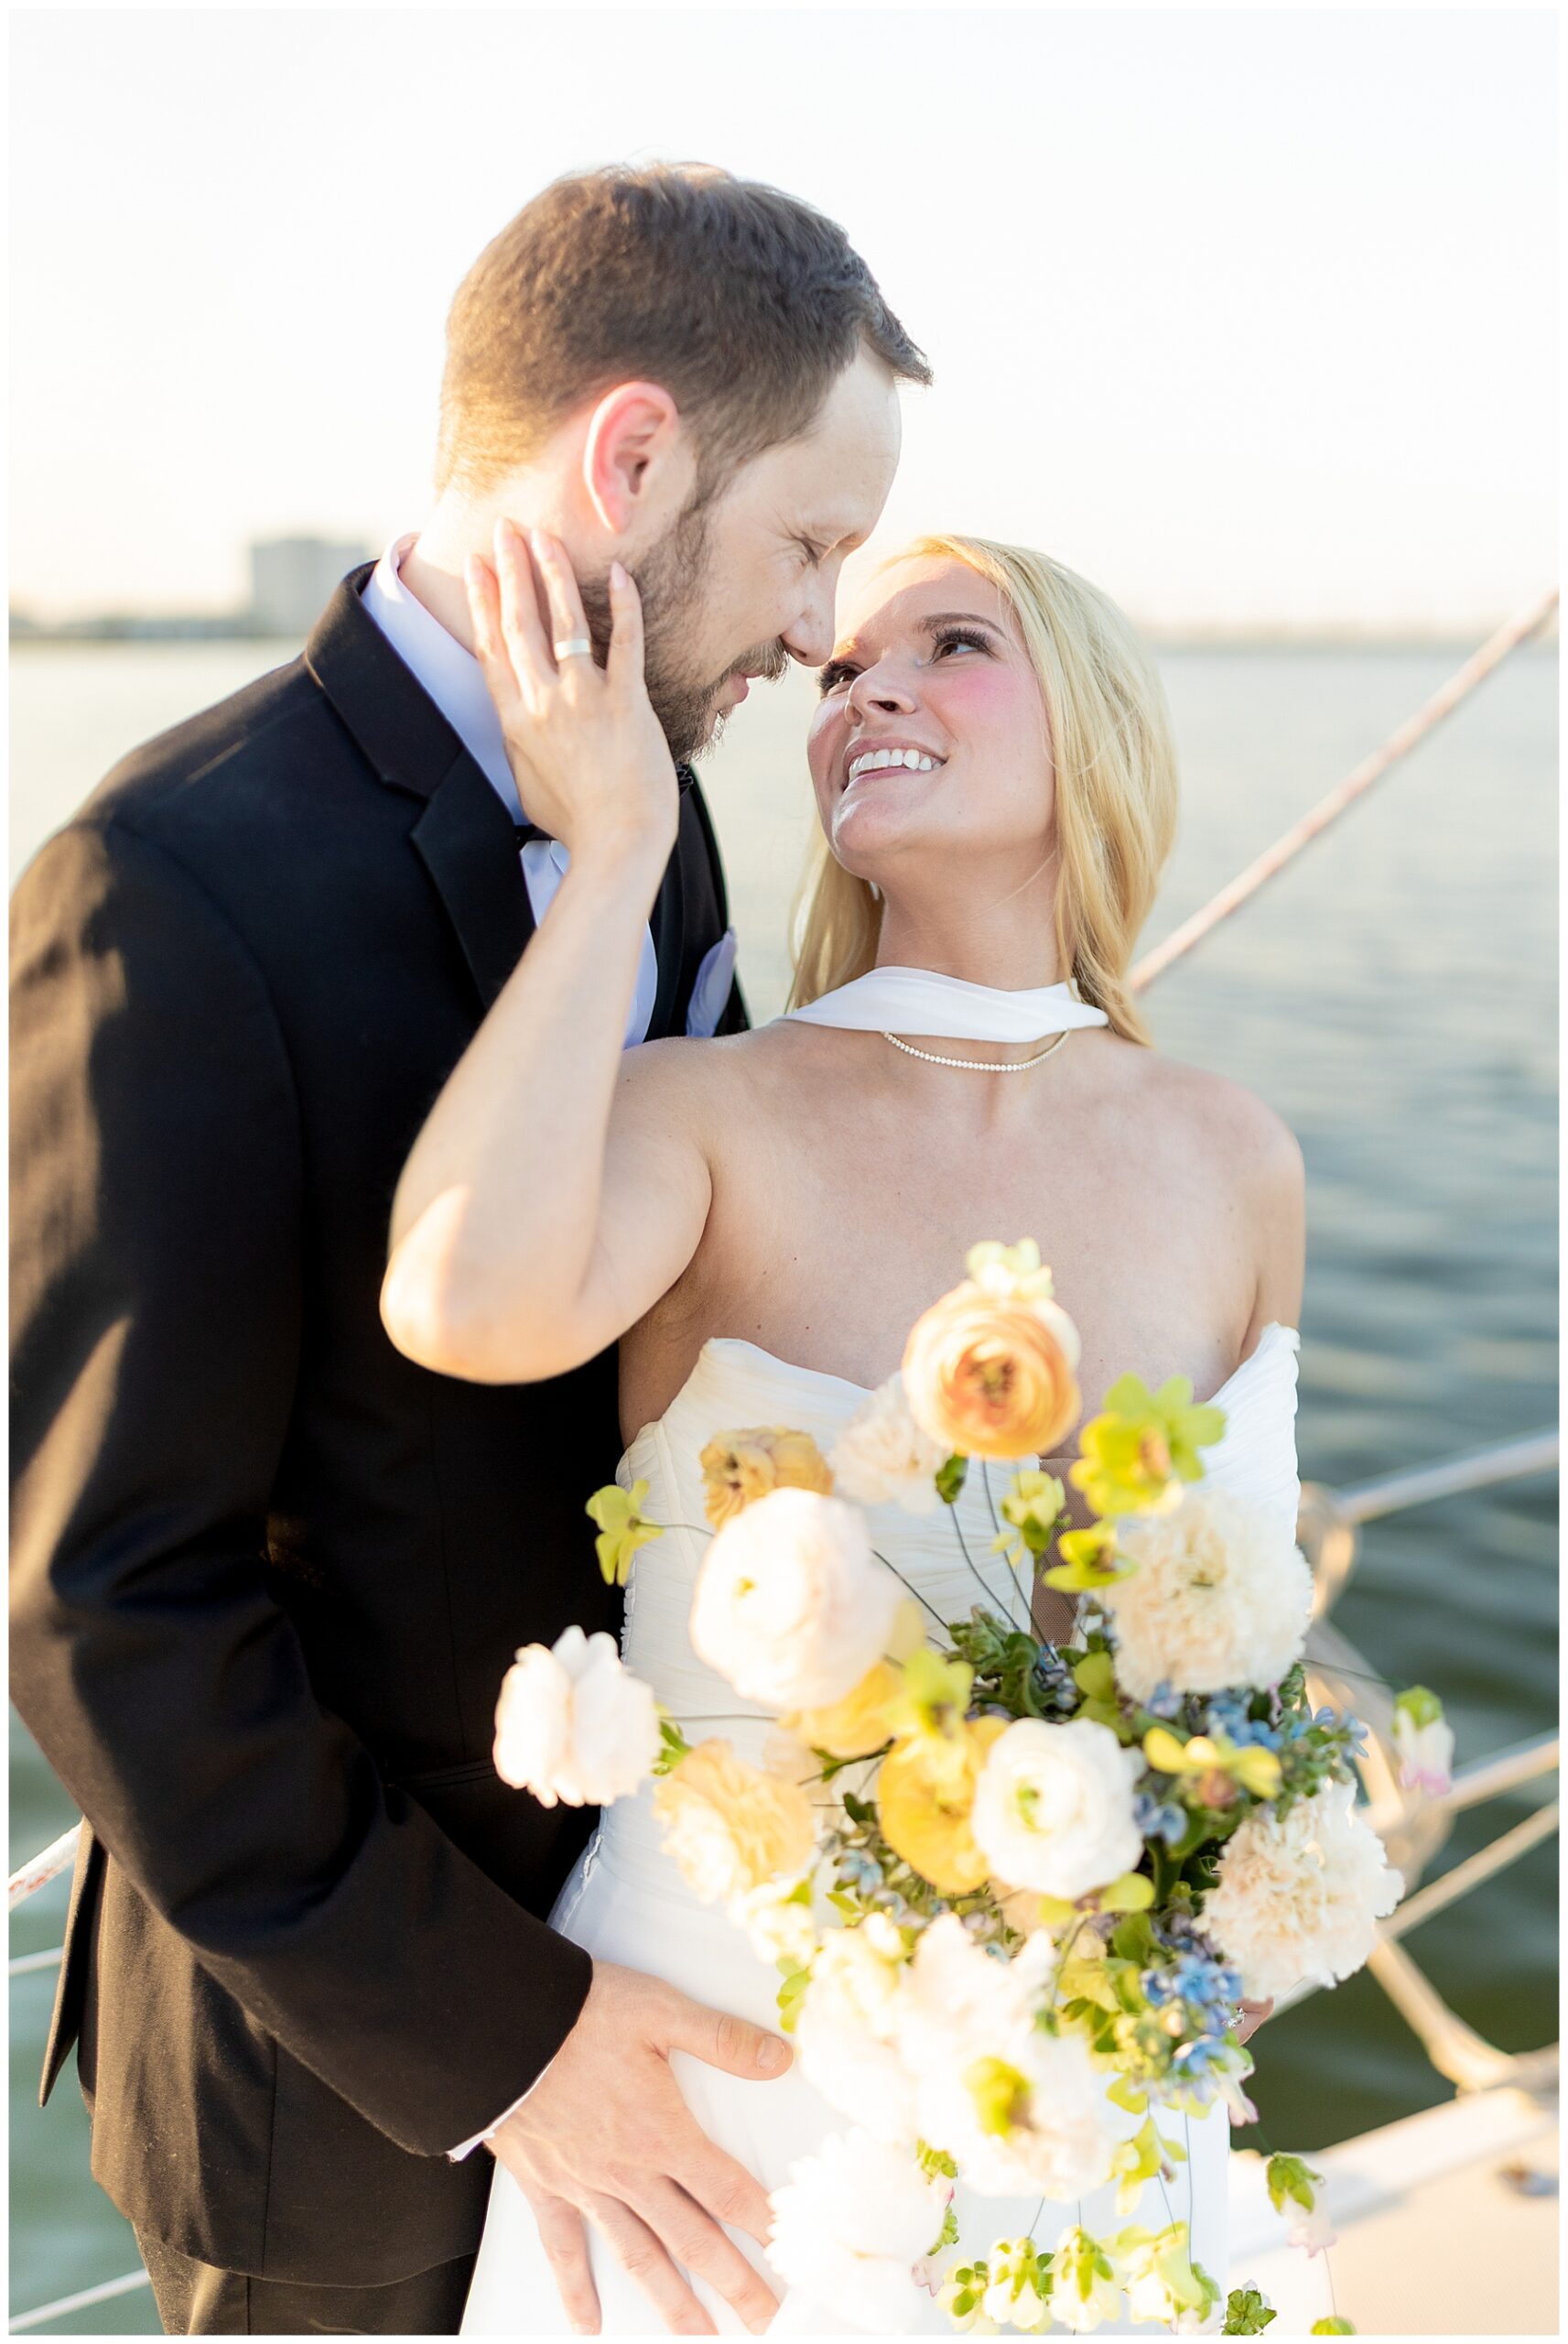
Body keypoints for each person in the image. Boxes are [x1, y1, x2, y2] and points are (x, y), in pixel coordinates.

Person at [9, 163, 924, 2338]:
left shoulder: (661, 810)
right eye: (807, 542)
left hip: (696, 1953)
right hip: (353, 2092)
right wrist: (503, 2040)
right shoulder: (162, 881)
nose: (818, 628)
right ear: (632, 458)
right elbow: (109, 1595)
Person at [384, 526, 1300, 2334]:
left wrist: (1252, 1868)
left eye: (947, 644)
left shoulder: (1232, 1153)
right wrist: (617, 845)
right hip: (722, 2091)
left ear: (1092, 734)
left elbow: (1239, 1614)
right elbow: (461, 1301)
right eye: (834, 673)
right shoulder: (704, 1110)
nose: (862, 689)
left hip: (1103, 2084)